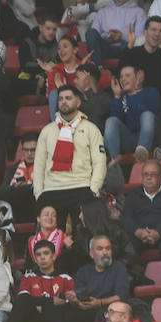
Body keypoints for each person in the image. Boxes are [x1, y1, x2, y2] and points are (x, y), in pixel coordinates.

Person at [33, 86, 107, 230]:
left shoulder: (91, 128)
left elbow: (100, 162)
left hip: (81, 188)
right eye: (60, 99)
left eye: (68, 98)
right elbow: (39, 165)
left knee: (84, 237)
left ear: (78, 102)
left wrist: (93, 190)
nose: (63, 102)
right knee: (52, 240)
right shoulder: (47, 131)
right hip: (51, 190)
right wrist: (39, 194)